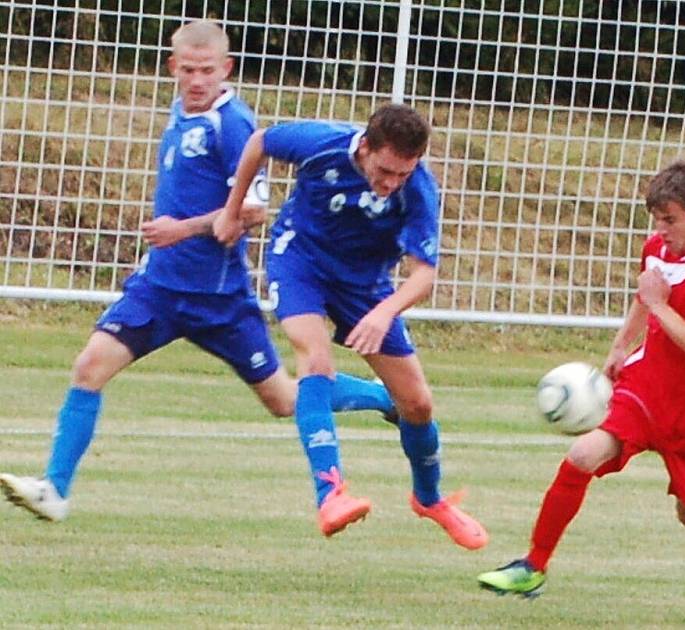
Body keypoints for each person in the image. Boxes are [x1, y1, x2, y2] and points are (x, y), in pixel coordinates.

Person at [0, 20, 395, 523]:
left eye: (207, 70)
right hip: (159, 289)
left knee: (281, 399)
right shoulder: (179, 112)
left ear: (226, 69)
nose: (197, 80)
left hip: (217, 298)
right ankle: (53, 490)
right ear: (173, 68)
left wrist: (180, 230)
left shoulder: (232, 126)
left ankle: (382, 398)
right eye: (188, 70)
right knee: (89, 367)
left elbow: (252, 211)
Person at [477, 160, 685, 615]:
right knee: (581, 456)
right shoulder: (657, 249)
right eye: (657, 220)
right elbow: (644, 301)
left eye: (670, 220)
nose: (660, 230)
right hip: (645, 389)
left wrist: (658, 305)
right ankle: (533, 565)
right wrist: (621, 346)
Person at [213, 103, 488, 549]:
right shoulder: (322, 143)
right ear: (365, 147)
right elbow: (259, 141)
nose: (391, 183)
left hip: (366, 286)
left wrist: (384, 313)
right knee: (314, 359)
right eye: (385, 170)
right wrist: (231, 209)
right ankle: (331, 495)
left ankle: (430, 499)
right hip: (300, 260)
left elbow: (423, 273)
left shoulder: (418, 188)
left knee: (417, 405)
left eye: (403, 173)